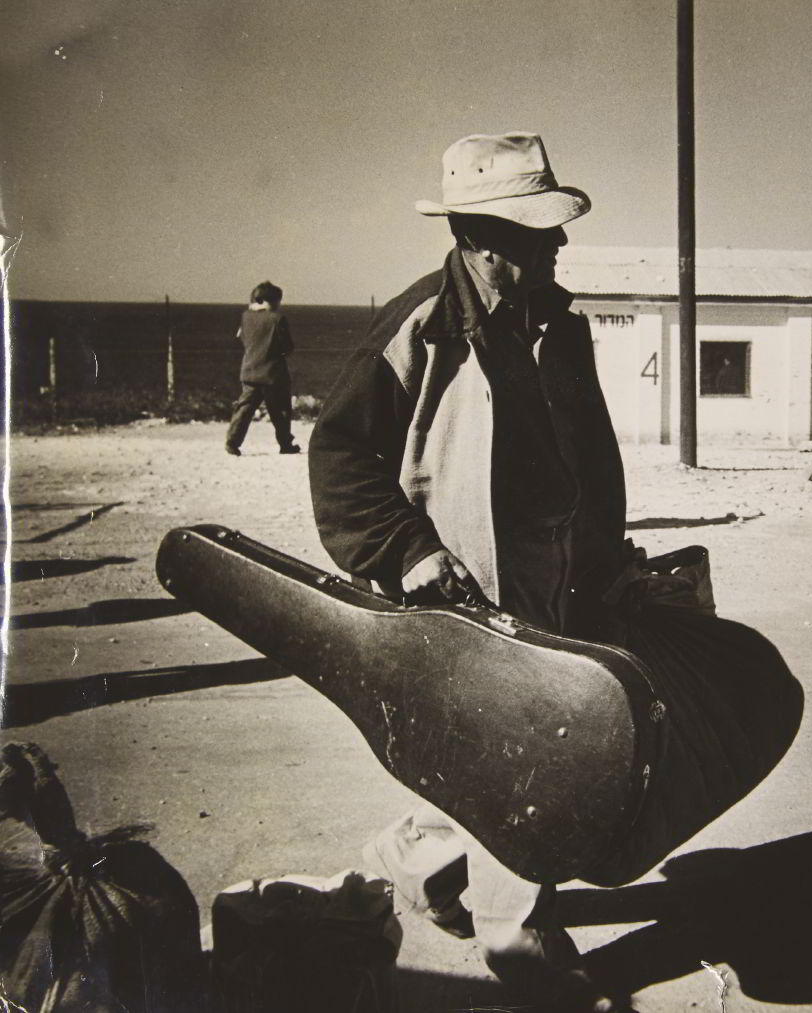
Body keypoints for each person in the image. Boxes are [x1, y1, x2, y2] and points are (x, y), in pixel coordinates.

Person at [308, 132, 626, 1011]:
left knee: (512, 757)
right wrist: (407, 549)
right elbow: (340, 459)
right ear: (480, 238)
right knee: (525, 758)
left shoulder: (561, 324)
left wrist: (608, 551)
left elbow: (592, 457)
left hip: (553, 575)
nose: (556, 244)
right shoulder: (418, 326)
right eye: (537, 232)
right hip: (458, 584)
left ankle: (416, 868)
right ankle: (515, 941)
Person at [224, 281, 300, 456]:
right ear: (272, 300)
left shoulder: (246, 316)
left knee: (244, 409)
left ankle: (232, 441)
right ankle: (285, 443)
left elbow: (242, 338)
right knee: (280, 410)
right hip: (273, 373)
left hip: (249, 370)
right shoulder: (277, 319)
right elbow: (287, 347)